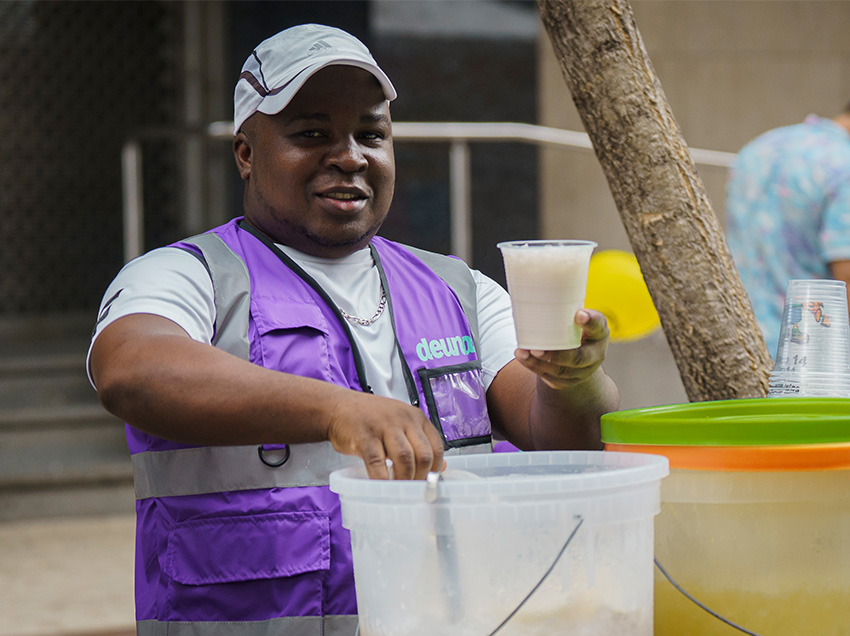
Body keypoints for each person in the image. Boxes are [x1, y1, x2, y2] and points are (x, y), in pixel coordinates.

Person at [88, 23, 619, 635]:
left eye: (371, 133)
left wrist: (574, 380)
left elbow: (559, 437)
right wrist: (339, 410)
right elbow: (130, 370)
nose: (349, 155)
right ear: (245, 152)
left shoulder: (461, 289)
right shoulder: (190, 274)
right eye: (311, 133)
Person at [726, 101, 850, 357]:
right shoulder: (845, 167)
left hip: (736, 346)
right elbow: (846, 276)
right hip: (808, 362)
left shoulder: (761, 147)